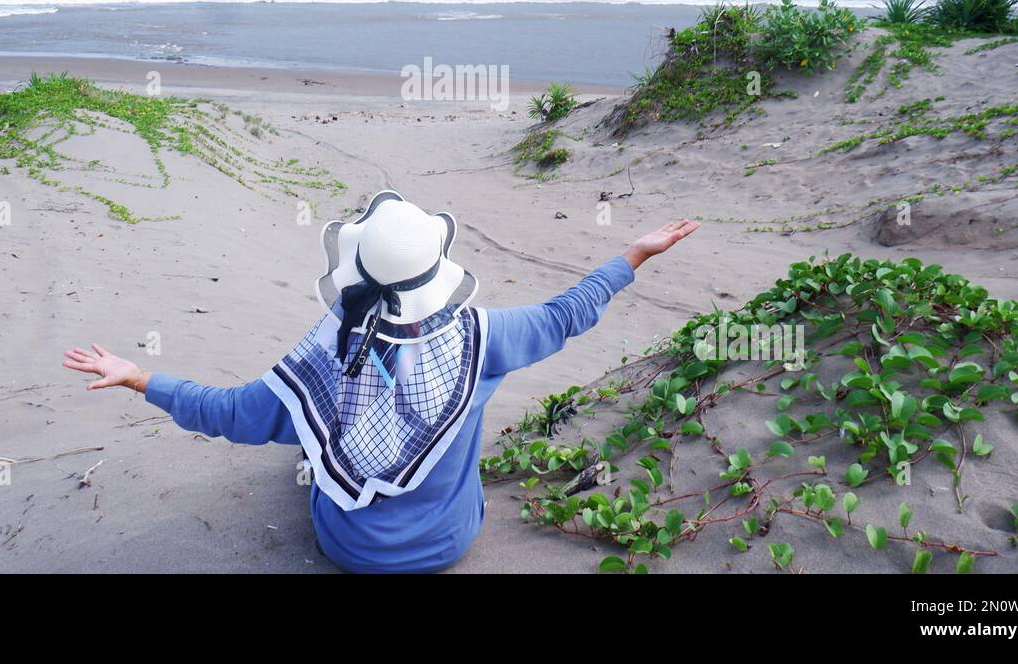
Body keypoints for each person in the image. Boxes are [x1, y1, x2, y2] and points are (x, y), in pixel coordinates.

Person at [63, 190, 699, 572]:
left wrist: (140, 377)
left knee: (307, 448)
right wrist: (634, 255)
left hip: (351, 553)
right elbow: (567, 314)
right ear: (438, 271)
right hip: (450, 546)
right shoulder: (486, 340)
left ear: (353, 270)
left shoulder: (321, 355)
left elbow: (229, 414)